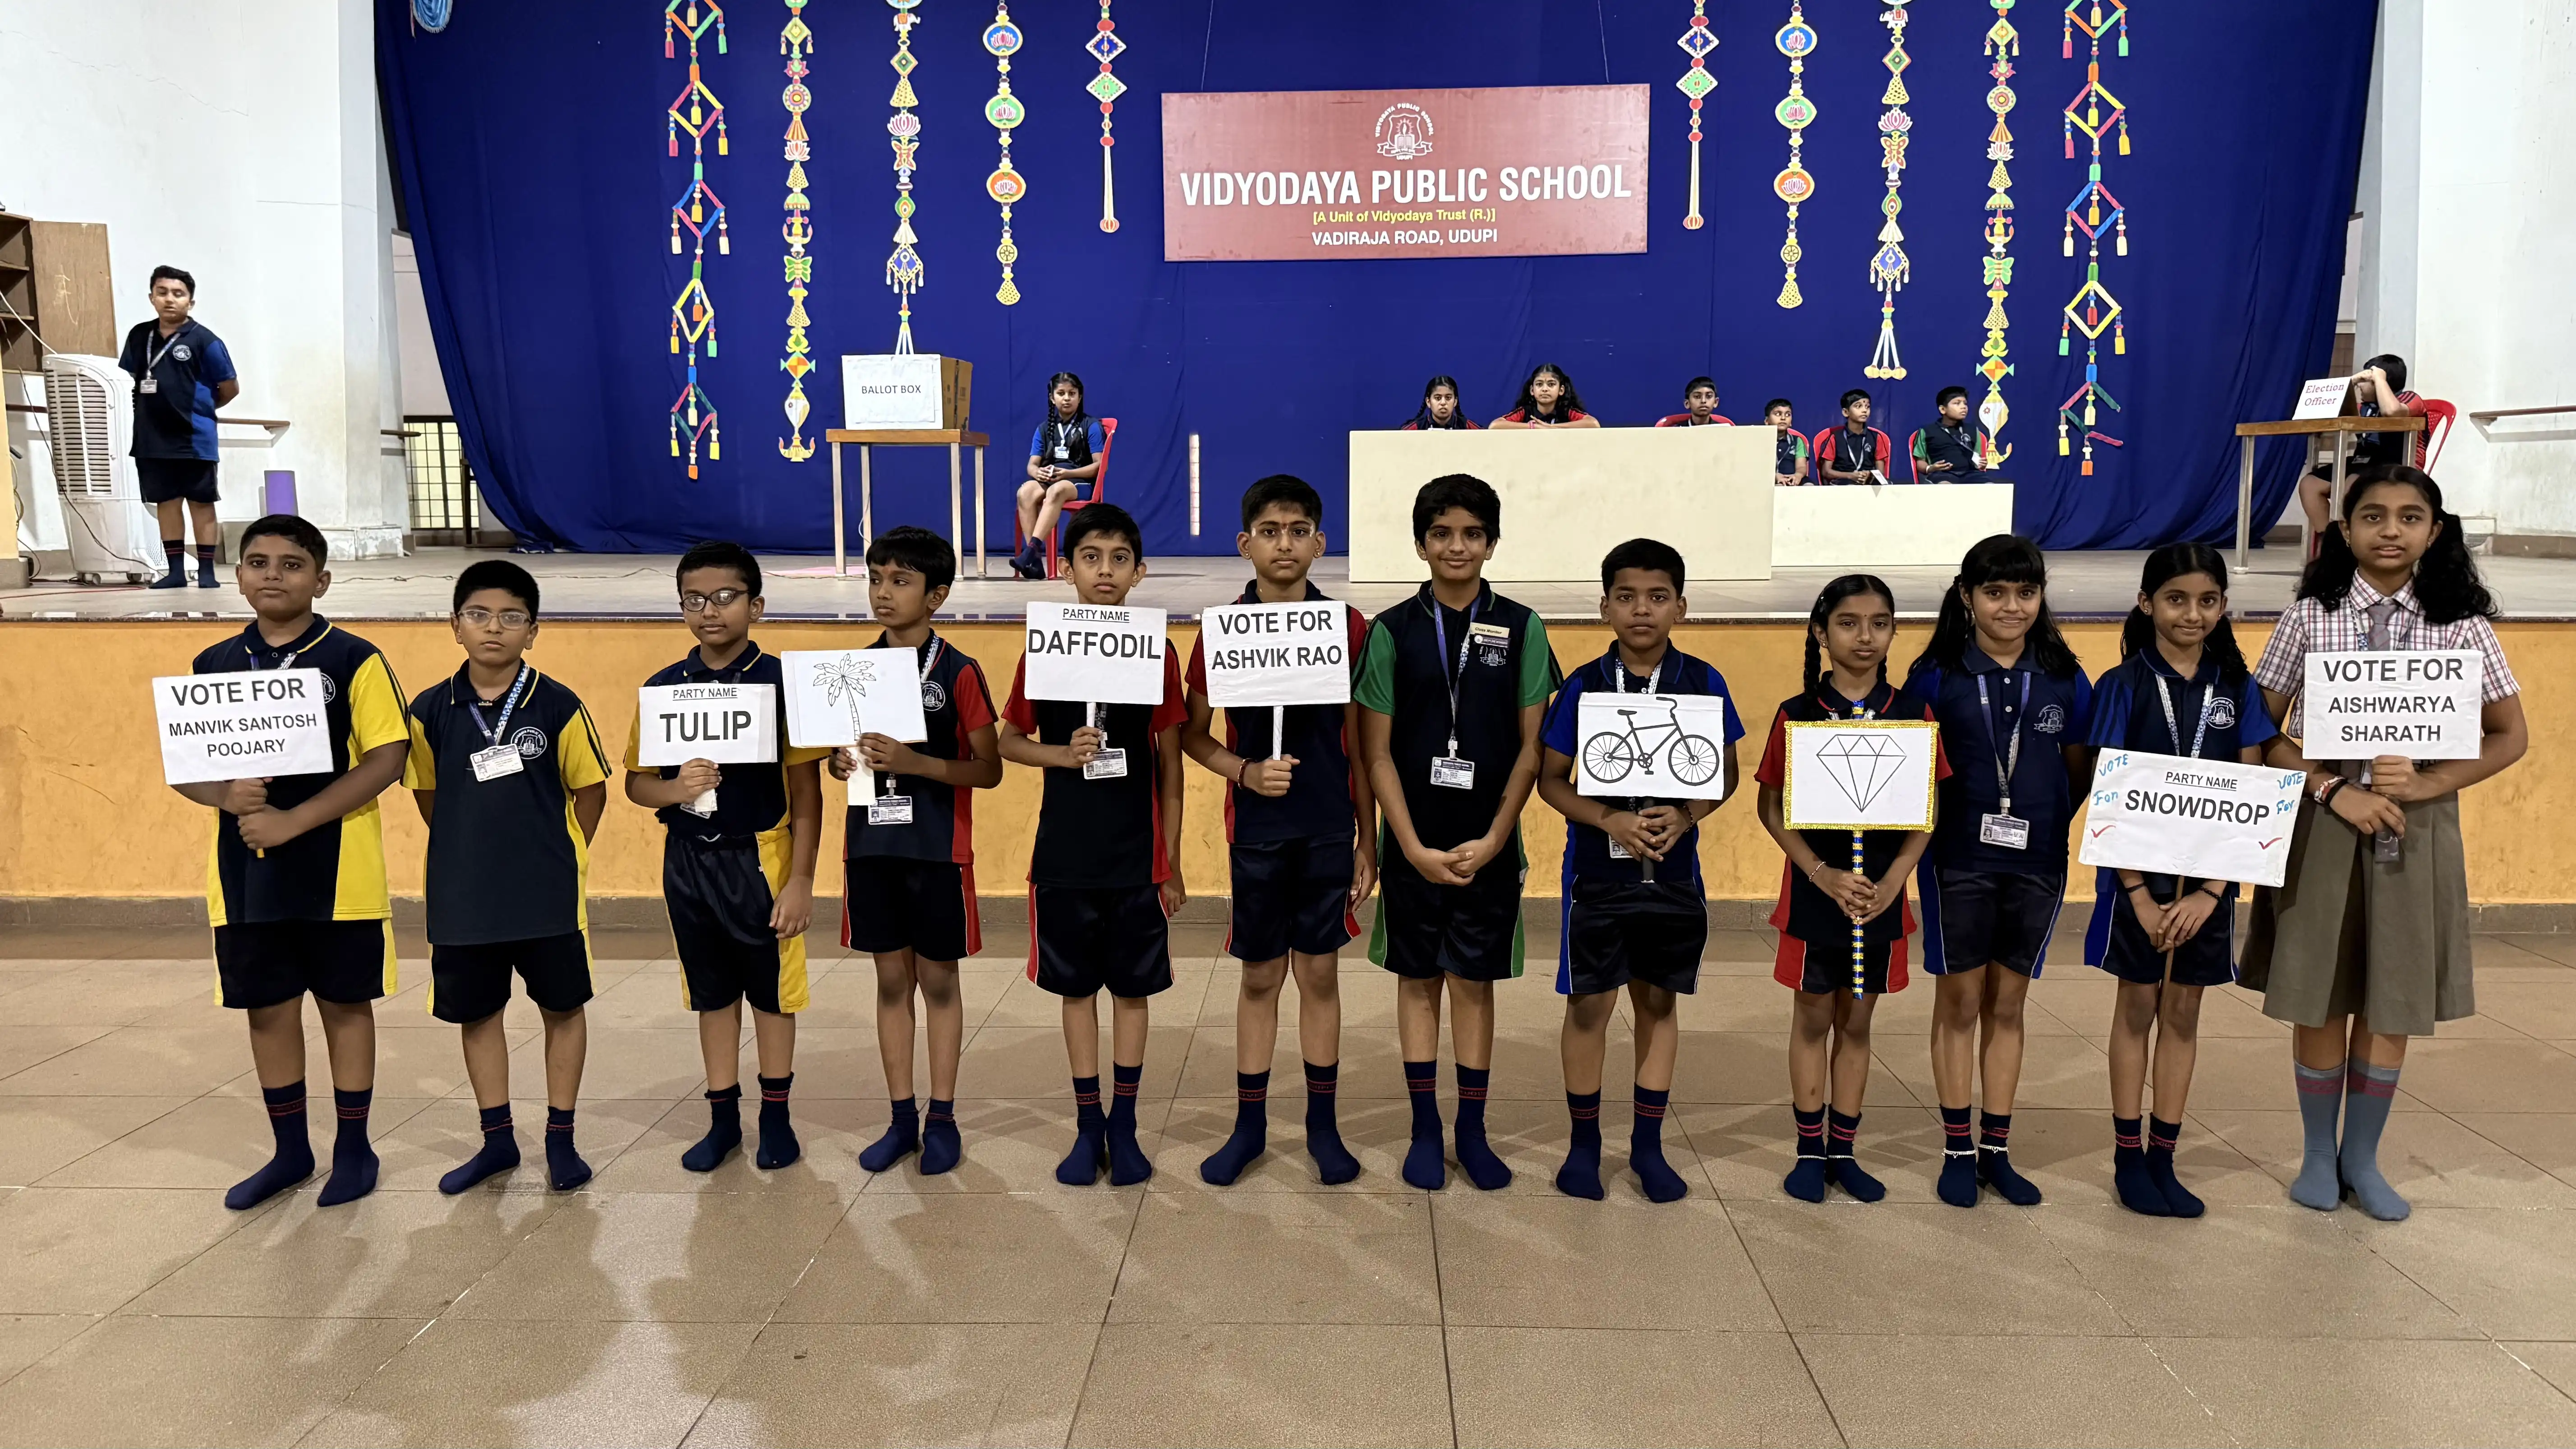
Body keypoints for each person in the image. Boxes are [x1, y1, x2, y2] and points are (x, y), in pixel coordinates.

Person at [2244, 465, 2525, 1221]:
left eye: (2409, 516)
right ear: (2345, 528)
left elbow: (2508, 735)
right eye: (2372, 515)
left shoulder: (2461, 626)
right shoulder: (2310, 616)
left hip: (2416, 828)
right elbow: (2258, 731)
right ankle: (2313, 1154)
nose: (2390, 530)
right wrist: (2336, 787)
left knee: (2389, 996)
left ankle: (2360, 1159)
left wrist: (2428, 784)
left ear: (2435, 531)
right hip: (2326, 823)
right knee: (2318, 988)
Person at [170, 514, 408, 1210]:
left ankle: (356, 1150)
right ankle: (290, 1150)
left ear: (322, 580)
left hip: (339, 873)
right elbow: (186, 769)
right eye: (258, 562)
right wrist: (223, 793)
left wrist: (294, 819)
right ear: (239, 576)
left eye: (292, 564)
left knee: (344, 1002)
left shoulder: (353, 659)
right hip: (248, 878)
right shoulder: (214, 666)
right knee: (267, 1008)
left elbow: (388, 757)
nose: (273, 574)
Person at [1356, 474, 1559, 1191]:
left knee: (1473, 983)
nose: (1457, 546)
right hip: (1416, 841)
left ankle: (1471, 1129)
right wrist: (1405, 845)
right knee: (1418, 982)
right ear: (1420, 543)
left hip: (1487, 844)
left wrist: (1500, 835)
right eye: (1442, 534)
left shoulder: (1525, 625)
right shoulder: (1391, 630)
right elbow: (1375, 752)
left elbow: (1534, 748)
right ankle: (1423, 1127)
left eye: (1472, 534)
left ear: (1492, 543)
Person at [1181, 475, 1377, 1186]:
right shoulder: (1220, 631)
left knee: (1319, 973)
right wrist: (1242, 772)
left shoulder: (1352, 629)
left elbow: (1364, 744)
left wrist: (1368, 838)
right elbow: (1193, 737)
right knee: (1261, 976)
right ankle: (1250, 1125)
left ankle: (1323, 1128)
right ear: (1246, 544)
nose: (1285, 543)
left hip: (1327, 829)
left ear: (1320, 543)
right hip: (1257, 833)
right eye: (1270, 530)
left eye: (1299, 530)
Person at [1535, 538, 1740, 1203]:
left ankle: (1648, 1148)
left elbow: (1724, 773)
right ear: (1604, 607)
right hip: (1597, 874)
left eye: (1657, 597)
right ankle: (1584, 1145)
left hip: (1675, 876)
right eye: (1626, 597)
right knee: (1590, 1003)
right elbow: (1552, 780)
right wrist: (1608, 820)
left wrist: (1687, 814)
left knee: (1657, 999)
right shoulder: (1583, 685)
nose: (1641, 610)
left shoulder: (1704, 681)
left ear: (1680, 606)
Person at [2081, 543, 2277, 1219]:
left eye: (2207, 601)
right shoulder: (2121, 686)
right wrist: (2136, 894)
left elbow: (2253, 794)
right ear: (2146, 603)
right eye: (2176, 599)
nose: (2192, 613)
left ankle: (2165, 1155)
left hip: (2210, 885)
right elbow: (2109, 795)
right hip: (2136, 884)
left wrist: (2212, 893)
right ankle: (2127, 1156)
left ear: (2223, 607)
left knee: (2185, 1013)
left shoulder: (2237, 688)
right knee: (2136, 1008)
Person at [403, 559, 611, 1194]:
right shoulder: (430, 710)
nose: (495, 628)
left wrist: (561, 851)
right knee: (479, 1013)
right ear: (455, 627)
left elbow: (590, 791)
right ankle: (497, 1141)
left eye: (512, 617)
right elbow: (429, 794)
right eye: (479, 615)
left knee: (563, 1008)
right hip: (464, 897)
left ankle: (561, 1138)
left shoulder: (557, 705)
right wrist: (472, 848)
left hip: (545, 894)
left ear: (533, 630)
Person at [622, 541, 829, 1173]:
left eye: (725, 597)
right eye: (694, 599)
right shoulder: (664, 689)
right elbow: (637, 783)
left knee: (772, 995)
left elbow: (807, 794)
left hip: (761, 859)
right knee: (712, 996)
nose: (709, 611)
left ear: (756, 605)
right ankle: (722, 1120)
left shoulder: (783, 684)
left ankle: (776, 1118)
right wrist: (674, 789)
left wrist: (800, 881)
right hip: (687, 859)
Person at [998, 503, 1188, 1186]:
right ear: (1067, 566)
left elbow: (1171, 764)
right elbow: (1008, 740)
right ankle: (1087, 1126)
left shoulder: (1158, 650)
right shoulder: (1041, 647)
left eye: (1118, 559)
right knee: (1075, 992)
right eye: (1090, 557)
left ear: (1139, 572)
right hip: (1065, 855)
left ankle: (1126, 1125)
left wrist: (1171, 859)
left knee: (1132, 992)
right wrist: (1061, 754)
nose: (1104, 570)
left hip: (1136, 854)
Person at [1906, 534, 2093, 1207]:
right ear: (1966, 596)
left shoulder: (2067, 678)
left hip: (2038, 861)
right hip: (1956, 858)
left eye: (2025, 592)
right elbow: (1911, 773)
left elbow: (2079, 774)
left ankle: (1996, 1148)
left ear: (2040, 597)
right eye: (1995, 592)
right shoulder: (1936, 675)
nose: (2011, 606)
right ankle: (1958, 1147)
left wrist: (2038, 826)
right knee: (1960, 1001)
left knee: (2008, 1004)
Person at [1756, 575, 1944, 1203]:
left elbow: (1928, 808)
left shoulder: (1915, 715)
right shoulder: (1797, 714)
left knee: (1858, 1024)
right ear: (1820, 632)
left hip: (1881, 904)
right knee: (1813, 1019)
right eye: (1848, 623)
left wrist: (1895, 881)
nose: (1865, 636)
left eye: (1880, 623)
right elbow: (1771, 805)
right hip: (1815, 897)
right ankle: (1809, 1151)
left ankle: (1845, 1150)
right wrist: (1820, 872)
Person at [830, 527, 1003, 1177]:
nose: (882, 592)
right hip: (872, 848)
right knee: (891, 981)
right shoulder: (851, 671)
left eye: (899, 581)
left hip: (938, 851)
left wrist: (915, 762)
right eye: (875, 579)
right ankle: (901, 1117)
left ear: (937, 595)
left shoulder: (959, 671)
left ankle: (944, 1117)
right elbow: (839, 759)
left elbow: (987, 770)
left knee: (937, 981)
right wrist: (842, 761)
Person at [117, 265, 239, 589]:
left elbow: (229, 388)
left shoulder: (205, 341)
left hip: (194, 439)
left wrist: (200, 410)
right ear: (152, 297)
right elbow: (129, 379)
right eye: (163, 292)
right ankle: (175, 572)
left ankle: (209, 573)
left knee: (201, 503)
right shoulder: (139, 336)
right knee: (166, 504)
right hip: (152, 439)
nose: (170, 299)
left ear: (191, 302)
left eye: (178, 294)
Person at [2298, 355, 2421, 541]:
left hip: (2395, 465)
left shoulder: (2408, 398)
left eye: (2364, 381)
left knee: (2352, 482)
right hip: (2361, 463)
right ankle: (2332, 542)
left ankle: (2351, 543)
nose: (2360, 387)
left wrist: (2379, 378)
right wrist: (2350, 382)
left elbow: (2392, 412)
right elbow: (2316, 413)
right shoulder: (2363, 408)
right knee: (2310, 484)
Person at [1012, 372, 1107, 580]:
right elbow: (1032, 465)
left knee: (1056, 490)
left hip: (1079, 481)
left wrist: (1068, 473)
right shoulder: (1044, 429)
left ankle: (1030, 551)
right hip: (1053, 478)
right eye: (1061, 393)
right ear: (1052, 398)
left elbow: (1099, 466)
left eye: (1072, 394)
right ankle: (1035, 562)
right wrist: (1039, 472)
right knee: (1025, 492)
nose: (1067, 398)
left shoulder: (1090, 426)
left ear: (1080, 397)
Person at [1487, 363, 1599, 428]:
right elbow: (1495, 425)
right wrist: (1533, 427)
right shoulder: (1526, 412)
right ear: (1532, 390)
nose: (1545, 389)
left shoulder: (1567, 412)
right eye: (1539, 384)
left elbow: (1593, 424)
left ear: (1561, 390)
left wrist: (1552, 428)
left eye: (1551, 384)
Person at [1914, 386, 1990, 483]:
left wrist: (1980, 464)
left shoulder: (1973, 430)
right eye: (1957, 403)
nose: (1964, 407)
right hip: (1942, 475)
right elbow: (1920, 462)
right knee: (1946, 488)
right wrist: (1931, 468)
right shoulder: (1928, 431)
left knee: (1990, 488)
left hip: (1971, 474)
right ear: (1943, 409)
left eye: (1965, 404)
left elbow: (1977, 458)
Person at [1817, 390, 1889, 484]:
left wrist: (1870, 475)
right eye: (1858, 406)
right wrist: (1851, 476)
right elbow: (1826, 472)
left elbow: (1881, 473)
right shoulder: (1835, 438)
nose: (1865, 410)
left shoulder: (1876, 438)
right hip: (1842, 483)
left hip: (1868, 483)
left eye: (1867, 407)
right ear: (1846, 412)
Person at [1402, 375, 1481, 431]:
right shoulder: (1415, 430)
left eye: (1448, 398)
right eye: (1438, 398)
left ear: (1455, 402)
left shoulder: (1468, 428)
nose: (1443, 403)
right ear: (1429, 402)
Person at [1654, 377, 1733, 428]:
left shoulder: (1725, 431)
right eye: (1697, 397)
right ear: (1687, 404)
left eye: (1709, 396)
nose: (1703, 401)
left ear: (1716, 402)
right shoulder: (1677, 431)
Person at [1766, 399, 1811, 485]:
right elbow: (1756, 469)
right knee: (1779, 488)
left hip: (1793, 478)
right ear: (1767, 421)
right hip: (1770, 479)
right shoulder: (1760, 441)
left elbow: (1801, 467)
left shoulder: (1797, 441)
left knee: (1809, 486)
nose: (1783, 418)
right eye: (1778, 414)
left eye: (1788, 415)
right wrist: (1773, 476)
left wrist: (1798, 475)